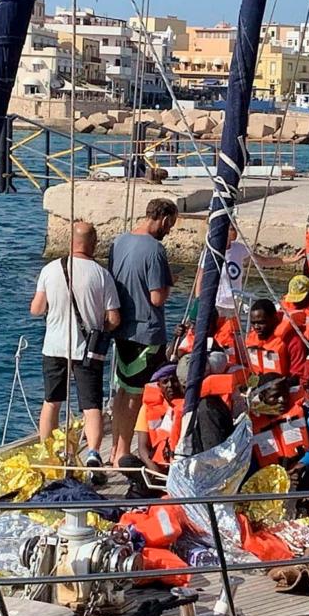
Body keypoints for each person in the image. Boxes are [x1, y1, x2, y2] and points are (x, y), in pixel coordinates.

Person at [30, 221, 122, 471]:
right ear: (93, 244)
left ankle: (46, 449)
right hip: (87, 349)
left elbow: (36, 309)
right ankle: (93, 453)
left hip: (54, 346)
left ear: (71, 242)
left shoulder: (50, 269)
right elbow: (114, 318)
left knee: (52, 401)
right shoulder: (101, 275)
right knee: (91, 405)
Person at [109, 198, 178, 467]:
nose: (170, 230)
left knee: (122, 391)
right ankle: (125, 453)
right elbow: (157, 297)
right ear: (162, 218)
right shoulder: (155, 250)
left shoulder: (119, 242)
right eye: (170, 224)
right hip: (146, 332)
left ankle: (115, 447)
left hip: (122, 328)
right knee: (140, 394)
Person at [244, 298, 306, 378]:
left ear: (274, 318)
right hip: (258, 382)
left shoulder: (293, 341)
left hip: (281, 386)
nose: (256, 327)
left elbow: (297, 376)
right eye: (253, 323)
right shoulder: (252, 338)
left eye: (261, 322)